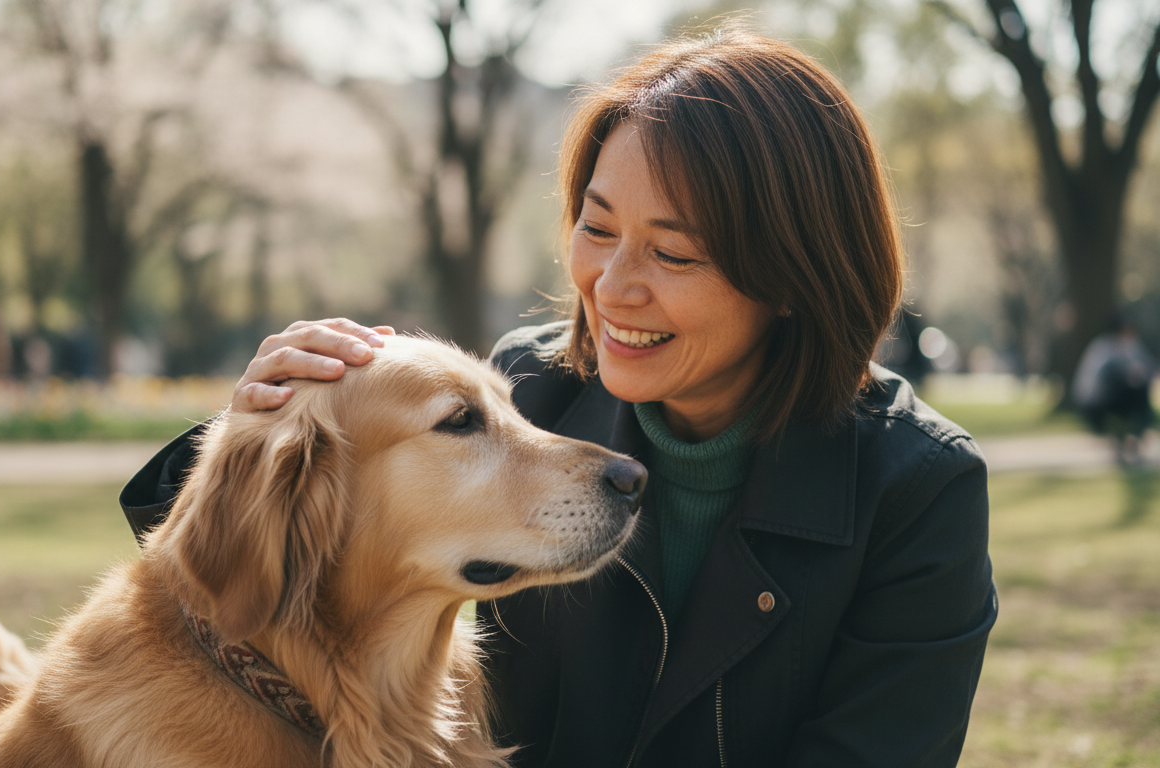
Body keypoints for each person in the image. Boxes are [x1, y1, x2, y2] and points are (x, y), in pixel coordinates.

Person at [119, 27, 996, 767]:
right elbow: (284, 605)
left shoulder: (919, 490)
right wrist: (258, 424)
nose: (612, 287)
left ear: (796, 276)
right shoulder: (531, 390)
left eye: (674, 253)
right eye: (598, 226)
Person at [1072, 316, 1157, 466]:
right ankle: (1131, 437)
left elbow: (1147, 365)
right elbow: (1110, 375)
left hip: (1115, 396)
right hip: (1098, 400)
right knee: (1138, 393)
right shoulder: (1104, 347)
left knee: (1140, 391)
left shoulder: (1130, 346)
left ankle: (1133, 436)